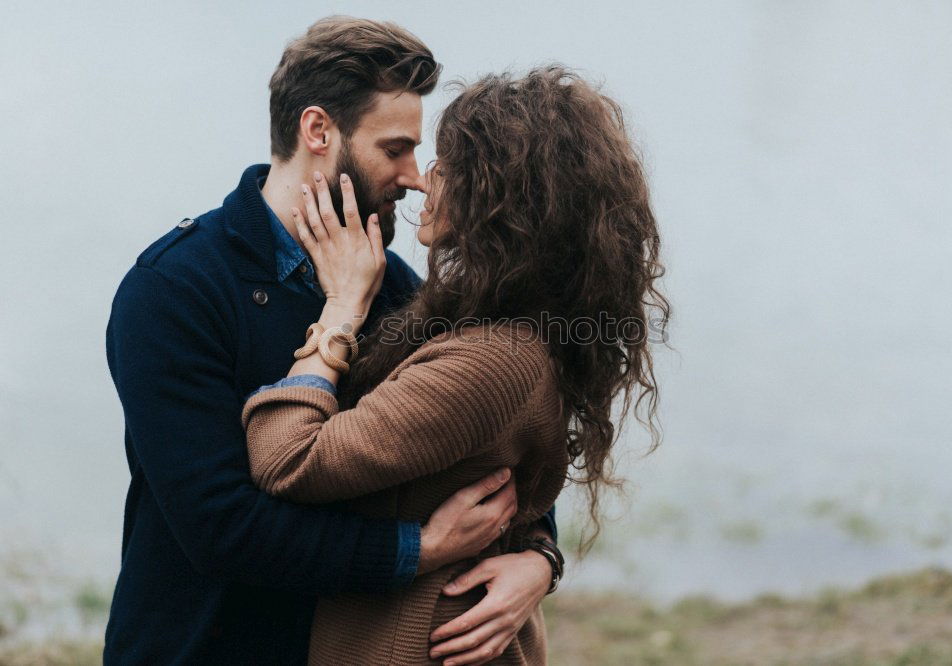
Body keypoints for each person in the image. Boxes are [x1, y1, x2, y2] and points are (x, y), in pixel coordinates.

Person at [104, 17, 557, 665]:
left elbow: (488, 441)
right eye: (395, 148)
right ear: (318, 131)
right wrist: (422, 549)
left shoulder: (398, 285)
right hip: (201, 646)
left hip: (346, 645)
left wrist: (539, 558)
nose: (415, 176)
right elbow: (222, 528)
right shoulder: (175, 289)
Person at [241, 66, 669, 664]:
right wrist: (541, 558)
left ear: (500, 198)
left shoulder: (493, 359)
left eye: (445, 166)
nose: (421, 181)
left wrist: (339, 311)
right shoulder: (491, 323)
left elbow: (288, 459)